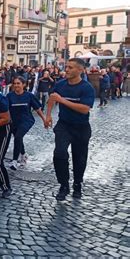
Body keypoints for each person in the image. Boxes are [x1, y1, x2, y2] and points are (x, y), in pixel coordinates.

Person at [45, 58, 95, 201]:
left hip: (81, 127)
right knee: (59, 154)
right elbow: (52, 98)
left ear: (80, 70)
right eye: (66, 67)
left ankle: (77, 184)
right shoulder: (60, 84)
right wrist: (48, 116)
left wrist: (63, 101)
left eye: (70, 67)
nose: (66, 70)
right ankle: (64, 185)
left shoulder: (86, 88)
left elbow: (85, 109)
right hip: (64, 125)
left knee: (79, 158)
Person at [6, 76, 46, 170]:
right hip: (14, 121)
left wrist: (44, 119)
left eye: (18, 83)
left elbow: (37, 109)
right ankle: (23, 155)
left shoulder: (29, 96)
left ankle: (15, 161)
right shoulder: (9, 96)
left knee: (18, 137)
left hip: (26, 120)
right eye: (14, 83)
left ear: (23, 85)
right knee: (18, 138)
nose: (16, 85)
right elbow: (5, 109)